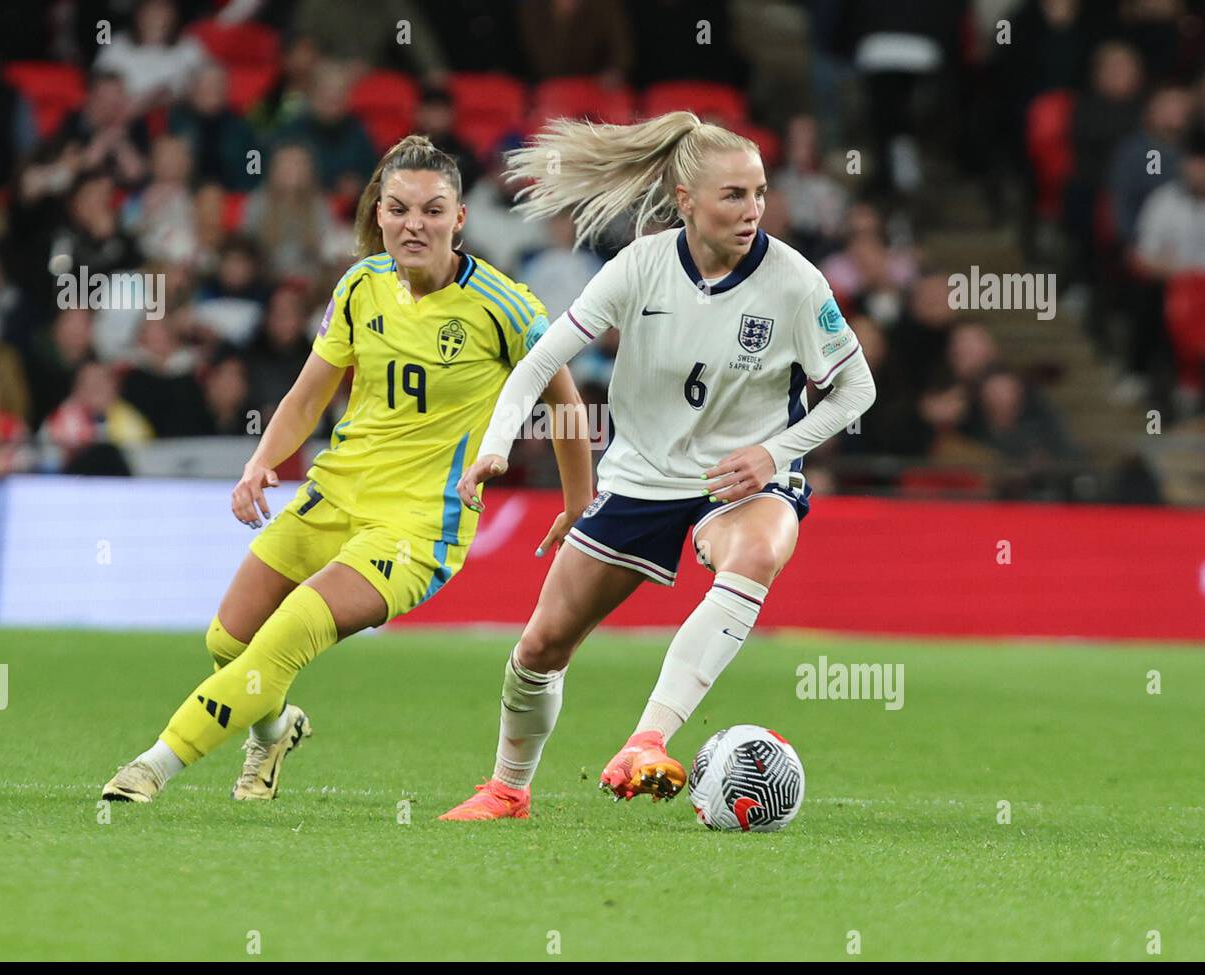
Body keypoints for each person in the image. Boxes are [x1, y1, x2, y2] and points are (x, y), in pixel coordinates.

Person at [101, 136, 593, 804]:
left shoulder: (505, 307)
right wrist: (259, 463)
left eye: (431, 209)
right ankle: (273, 732)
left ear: (459, 219)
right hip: (333, 494)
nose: (413, 223)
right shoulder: (360, 287)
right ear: (380, 214)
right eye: (398, 208)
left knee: (283, 639)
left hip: (419, 524)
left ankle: (153, 766)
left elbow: (564, 398)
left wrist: (576, 499)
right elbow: (308, 395)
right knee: (228, 639)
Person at [439, 112, 876, 822]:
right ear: (685, 199)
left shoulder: (795, 282)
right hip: (642, 478)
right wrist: (495, 445)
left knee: (758, 548)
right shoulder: (640, 267)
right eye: (733, 195)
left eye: (760, 193)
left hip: (743, 478)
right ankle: (507, 790)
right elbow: (541, 362)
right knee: (540, 646)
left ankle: (648, 738)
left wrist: (776, 451)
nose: (753, 210)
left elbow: (858, 389)